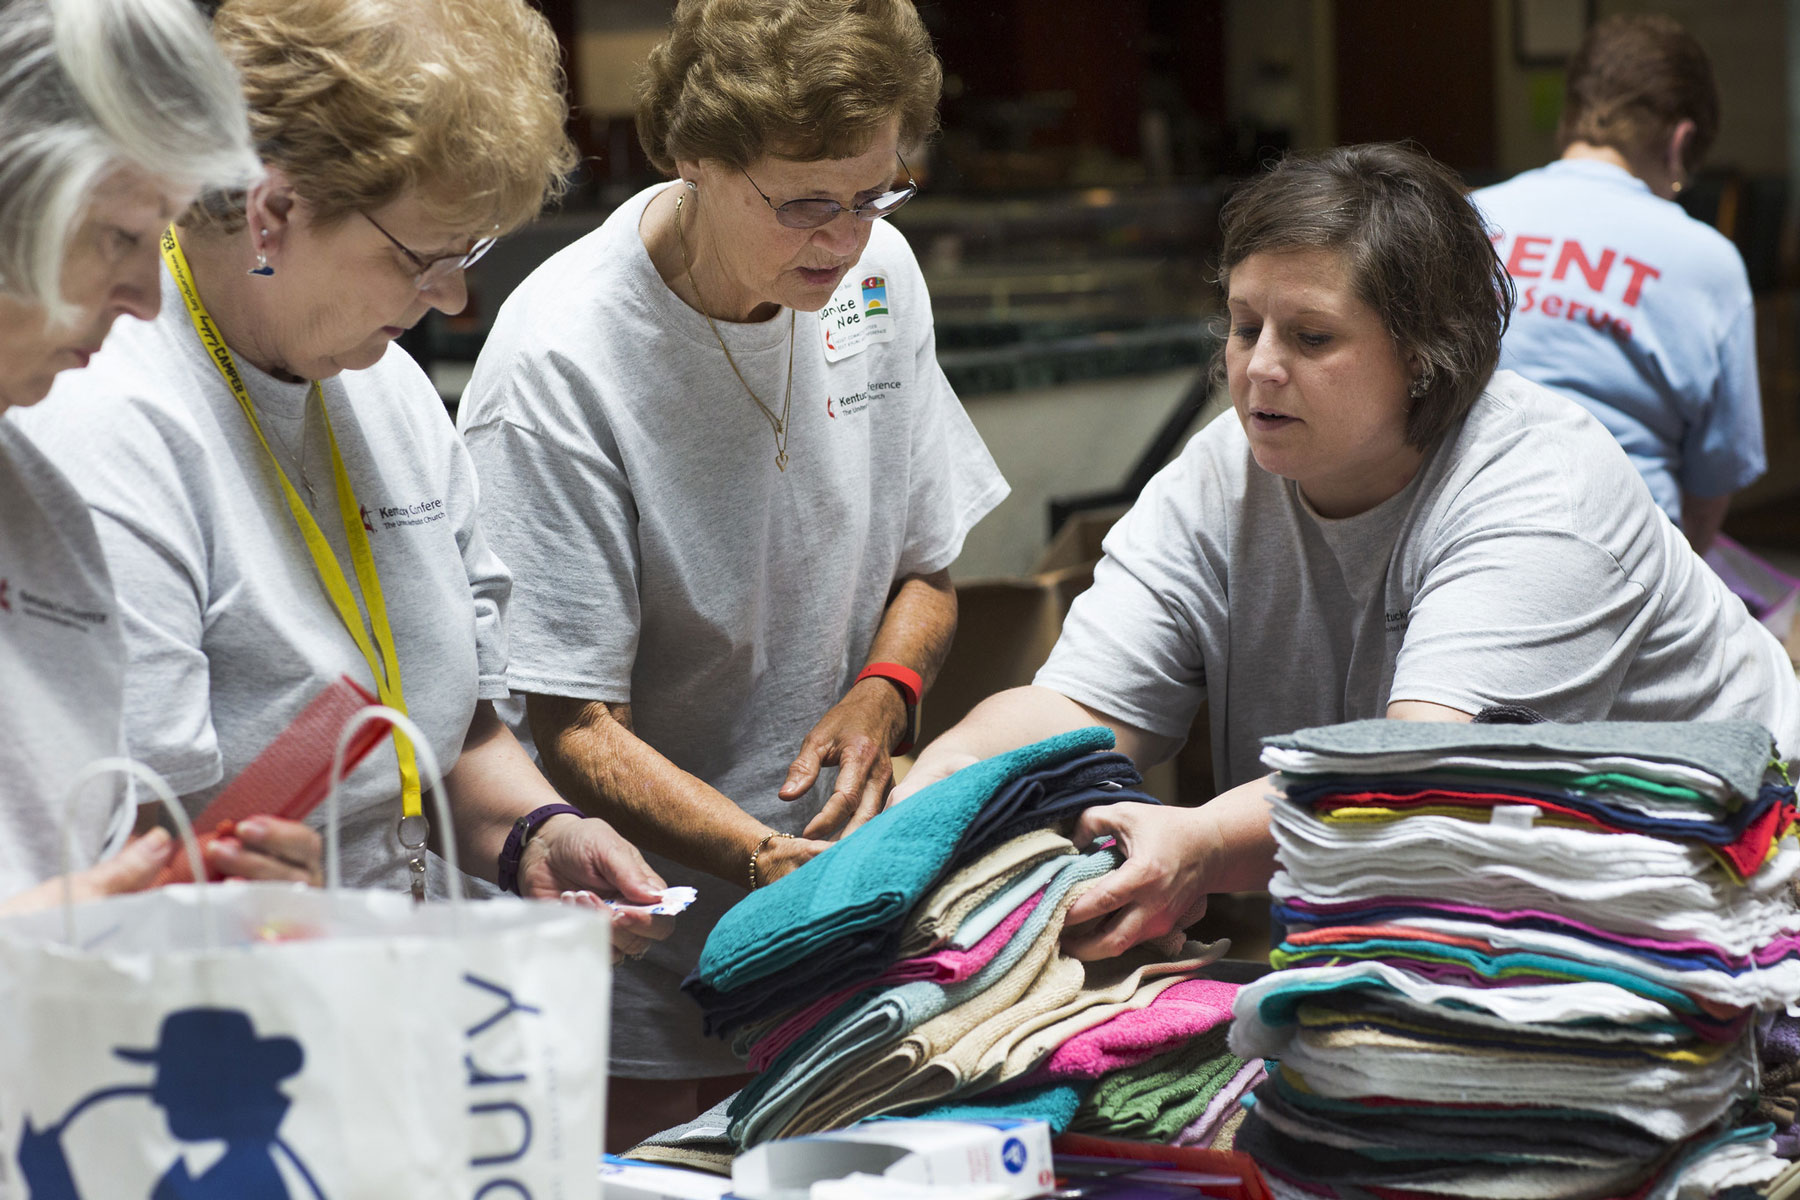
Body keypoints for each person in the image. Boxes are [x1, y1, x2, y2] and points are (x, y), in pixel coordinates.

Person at [895, 142, 1800, 965]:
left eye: (1312, 337)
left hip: (1735, 883)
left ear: (1425, 354)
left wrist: (1203, 846)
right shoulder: (1220, 475)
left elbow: (1419, 777)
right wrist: (958, 773)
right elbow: (1084, 705)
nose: (1260, 367)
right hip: (1482, 902)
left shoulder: (1542, 492)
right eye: (1244, 325)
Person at [456, 0, 1007, 1149]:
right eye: (805, 203)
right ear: (693, 157)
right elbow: (570, 725)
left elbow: (928, 571)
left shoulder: (878, 275)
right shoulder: (565, 357)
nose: (843, 238)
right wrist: (765, 860)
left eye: (874, 194)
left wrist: (887, 690)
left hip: (842, 949)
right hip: (640, 967)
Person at [15, 0, 670, 959]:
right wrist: (265, 914)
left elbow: (453, 732)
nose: (452, 295)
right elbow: (127, 860)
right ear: (273, 212)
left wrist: (535, 834)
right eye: (423, 257)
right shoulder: (97, 411)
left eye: (470, 252)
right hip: (219, 997)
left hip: (392, 984)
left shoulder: (383, 383)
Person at [0, 0, 322, 915]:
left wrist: (189, 904)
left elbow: (69, 865)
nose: (146, 298)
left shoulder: (44, 510)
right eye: (120, 236)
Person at [1474, 14, 1758, 555]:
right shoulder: (1708, 260)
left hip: (1463, 534)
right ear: (1680, 143)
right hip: (1628, 550)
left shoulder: (1467, 217)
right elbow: (1711, 485)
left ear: (1572, 114)